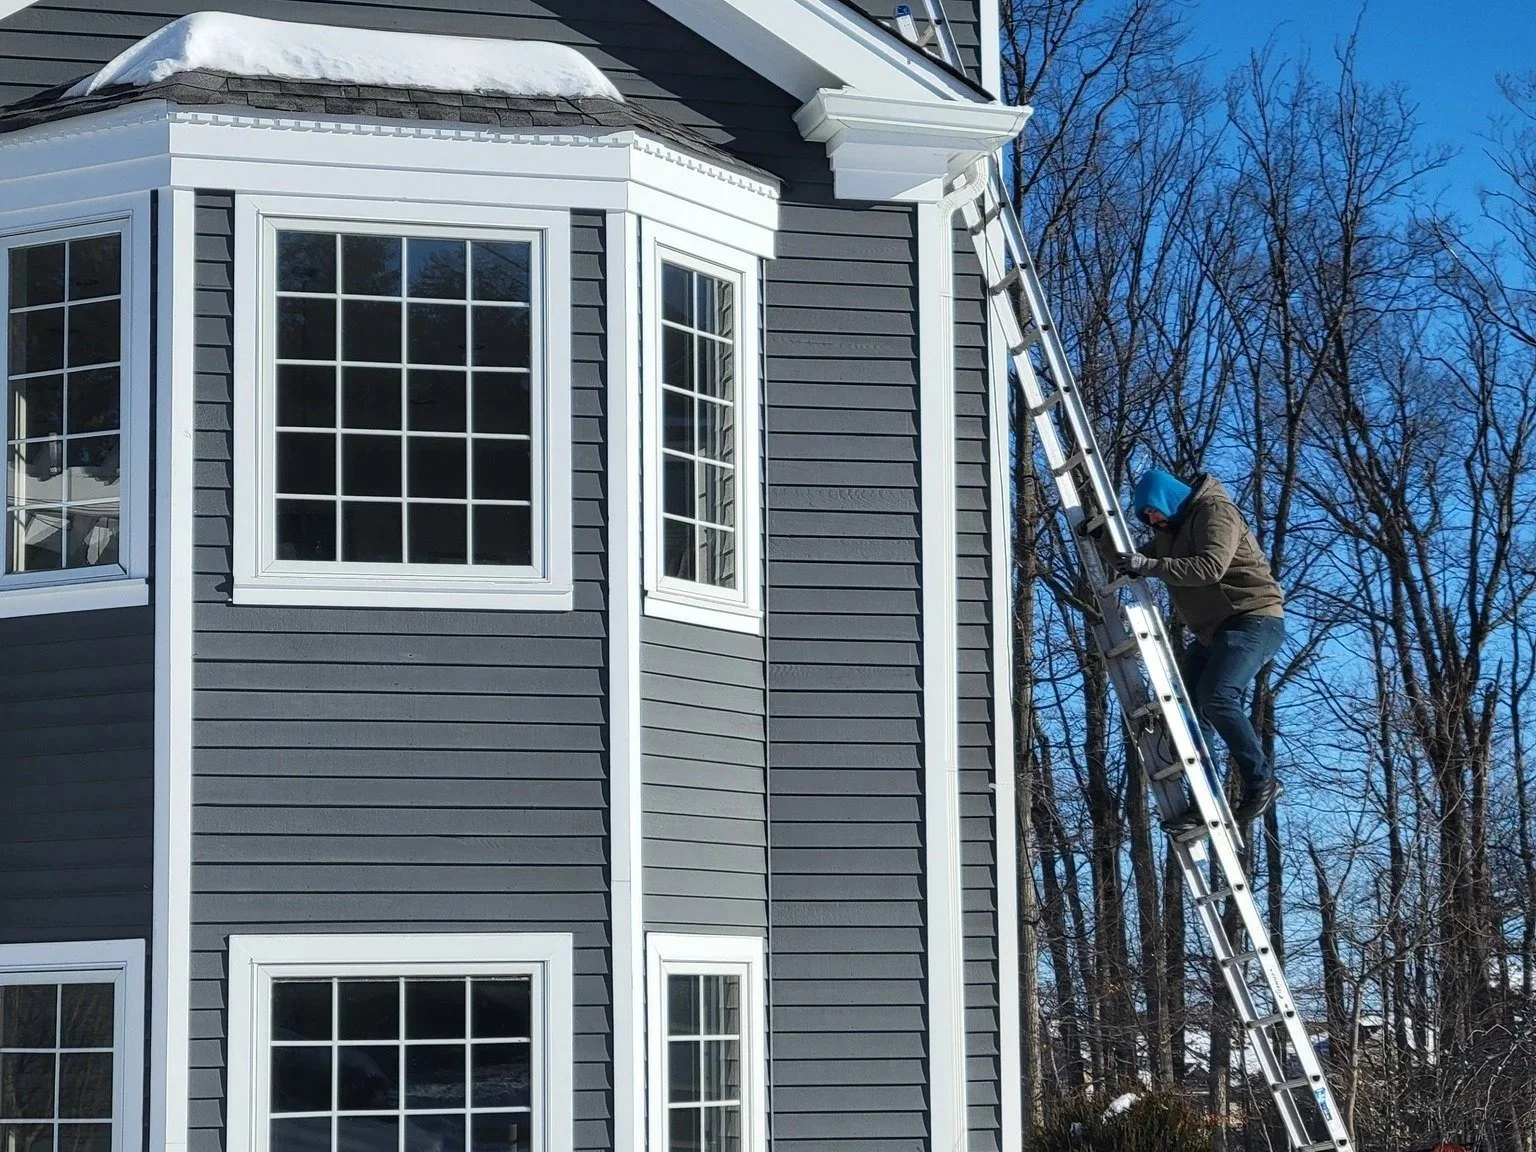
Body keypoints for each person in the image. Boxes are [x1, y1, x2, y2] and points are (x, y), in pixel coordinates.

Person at [1079, 468, 1287, 832]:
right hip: (1215, 631)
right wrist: (1102, 539)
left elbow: (1210, 567)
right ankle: (1206, 801)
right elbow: (1133, 564)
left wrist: (1151, 565)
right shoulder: (1168, 535)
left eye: (1154, 511)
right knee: (1189, 708)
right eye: (1146, 517)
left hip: (1253, 618)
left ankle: (1261, 780)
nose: (1153, 520)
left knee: (1217, 695)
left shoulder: (1215, 511)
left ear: (1168, 499)